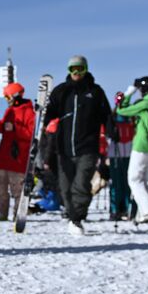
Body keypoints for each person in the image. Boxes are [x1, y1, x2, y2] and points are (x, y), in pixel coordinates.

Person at [44, 55, 109, 233]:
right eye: (73, 69)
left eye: (80, 69)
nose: (77, 73)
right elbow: (49, 113)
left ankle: (76, 219)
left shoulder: (95, 92)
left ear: (86, 69)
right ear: (69, 71)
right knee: (65, 188)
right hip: (64, 149)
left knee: (81, 184)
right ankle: (73, 215)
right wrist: (42, 114)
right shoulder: (61, 91)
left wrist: (112, 131)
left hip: (88, 147)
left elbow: (106, 115)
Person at [116, 76, 148, 224]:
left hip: (142, 144)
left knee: (133, 178)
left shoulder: (146, 104)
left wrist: (129, 92)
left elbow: (122, 110)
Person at [0, 82, 35, 221]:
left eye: (8, 98)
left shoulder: (28, 111)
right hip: (5, 157)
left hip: (18, 157)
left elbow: (30, 133)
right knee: (0, 186)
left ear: (16, 96)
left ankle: (18, 214)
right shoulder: (10, 111)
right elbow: (3, 128)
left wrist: (14, 128)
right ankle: (2, 212)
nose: (7, 101)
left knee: (17, 189)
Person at [106, 92, 136, 221]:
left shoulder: (132, 117)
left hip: (129, 152)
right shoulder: (112, 117)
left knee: (128, 182)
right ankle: (115, 209)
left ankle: (127, 208)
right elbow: (106, 133)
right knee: (116, 183)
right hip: (115, 153)